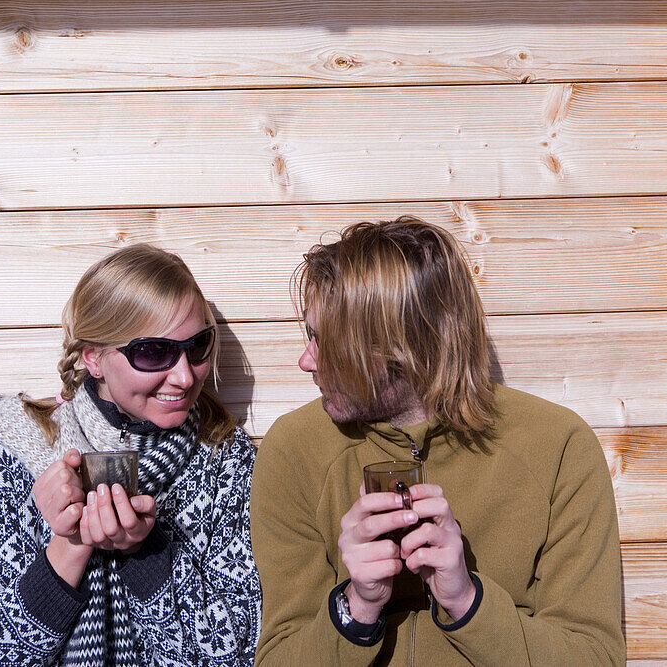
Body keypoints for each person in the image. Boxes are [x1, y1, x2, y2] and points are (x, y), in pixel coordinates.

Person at [251, 216, 625, 666]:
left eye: (325, 341)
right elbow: (278, 657)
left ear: (400, 347)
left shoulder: (558, 448)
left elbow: (595, 657)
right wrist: (356, 608)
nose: (305, 361)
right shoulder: (294, 450)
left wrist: (467, 601)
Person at [0, 244, 260, 667]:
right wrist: (68, 547)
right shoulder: (13, 451)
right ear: (94, 358)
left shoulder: (224, 461)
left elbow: (237, 653)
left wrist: (146, 553)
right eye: (154, 352)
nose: (185, 375)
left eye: (198, 345)